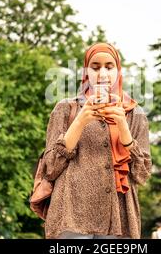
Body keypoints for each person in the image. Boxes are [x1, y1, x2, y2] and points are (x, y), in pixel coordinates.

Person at [42, 42, 152, 239]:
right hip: (70, 216)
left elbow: (142, 174)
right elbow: (50, 168)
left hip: (119, 218)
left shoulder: (135, 114)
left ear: (118, 71)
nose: (102, 74)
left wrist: (122, 126)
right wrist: (81, 119)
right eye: (95, 67)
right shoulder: (65, 109)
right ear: (86, 72)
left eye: (109, 67)